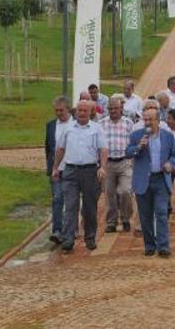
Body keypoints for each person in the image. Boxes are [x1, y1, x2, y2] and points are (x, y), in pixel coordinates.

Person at [52, 100, 108, 252]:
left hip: (90, 171)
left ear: (91, 112)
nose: (82, 113)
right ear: (75, 112)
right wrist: (55, 167)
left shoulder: (97, 128)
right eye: (80, 110)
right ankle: (68, 239)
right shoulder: (68, 128)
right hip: (71, 171)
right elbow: (61, 149)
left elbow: (103, 149)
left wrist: (103, 167)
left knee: (89, 207)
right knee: (70, 206)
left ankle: (90, 237)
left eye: (85, 111)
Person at [126, 108, 175, 258]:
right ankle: (149, 245)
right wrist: (138, 147)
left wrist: (170, 163)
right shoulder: (136, 135)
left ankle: (163, 246)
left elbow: (174, 154)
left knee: (161, 212)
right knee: (145, 215)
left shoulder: (167, 136)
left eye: (150, 120)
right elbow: (128, 152)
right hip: (143, 180)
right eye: (145, 120)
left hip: (161, 179)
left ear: (158, 120)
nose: (147, 123)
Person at [99, 98, 135, 233]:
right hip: (108, 163)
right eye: (110, 109)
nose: (113, 111)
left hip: (124, 162)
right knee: (109, 194)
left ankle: (125, 218)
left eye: (115, 108)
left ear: (121, 109)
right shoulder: (101, 124)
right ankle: (111, 222)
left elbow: (133, 142)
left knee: (125, 191)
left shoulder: (128, 123)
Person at [45, 96, 73, 244]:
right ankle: (57, 230)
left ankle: (70, 229)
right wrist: (50, 169)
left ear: (68, 109)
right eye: (56, 110)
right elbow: (48, 149)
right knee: (57, 199)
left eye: (61, 110)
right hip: (56, 170)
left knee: (71, 201)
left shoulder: (75, 124)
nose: (58, 113)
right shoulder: (50, 126)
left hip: (72, 169)